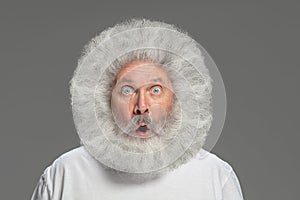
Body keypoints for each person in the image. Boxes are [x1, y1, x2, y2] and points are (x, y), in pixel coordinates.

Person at [31, 19, 244, 200]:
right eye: (127, 90)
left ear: (177, 99)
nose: (141, 107)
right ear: (105, 99)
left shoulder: (215, 176)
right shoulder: (65, 174)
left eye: (156, 90)